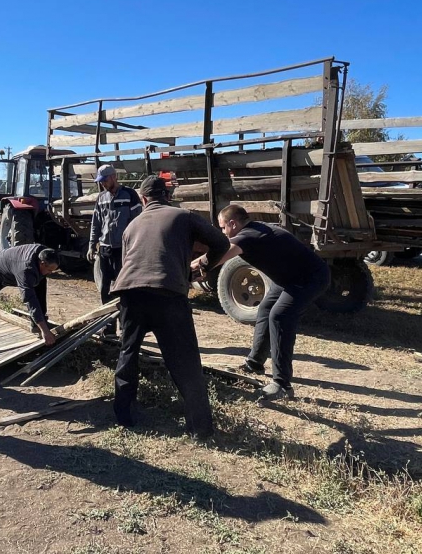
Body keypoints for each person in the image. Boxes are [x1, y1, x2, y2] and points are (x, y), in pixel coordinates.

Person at [110, 176, 232, 439]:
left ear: (143, 199)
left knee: (128, 353)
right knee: (185, 360)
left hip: (130, 295)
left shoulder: (131, 226)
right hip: (168, 295)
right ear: (167, 196)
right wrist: (202, 266)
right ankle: (200, 428)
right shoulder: (184, 216)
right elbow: (222, 243)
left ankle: (124, 416)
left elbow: (128, 263)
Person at [198, 204, 330, 402]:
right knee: (266, 309)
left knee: (280, 316)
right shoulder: (254, 229)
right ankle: (255, 363)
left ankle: (282, 385)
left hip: (309, 278)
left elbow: (216, 257)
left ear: (233, 224)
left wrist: (189, 267)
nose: (222, 232)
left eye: (223, 227)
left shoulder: (248, 236)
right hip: (289, 278)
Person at [87, 164, 142, 335]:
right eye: (100, 181)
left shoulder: (130, 195)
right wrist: (91, 245)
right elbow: (96, 223)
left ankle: (126, 329)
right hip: (105, 249)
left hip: (123, 250)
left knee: (124, 289)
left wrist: (136, 246)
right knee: (106, 289)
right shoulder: (101, 198)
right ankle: (108, 328)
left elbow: (138, 222)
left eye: (104, 180)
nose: (102, 184)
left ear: (113, 177)